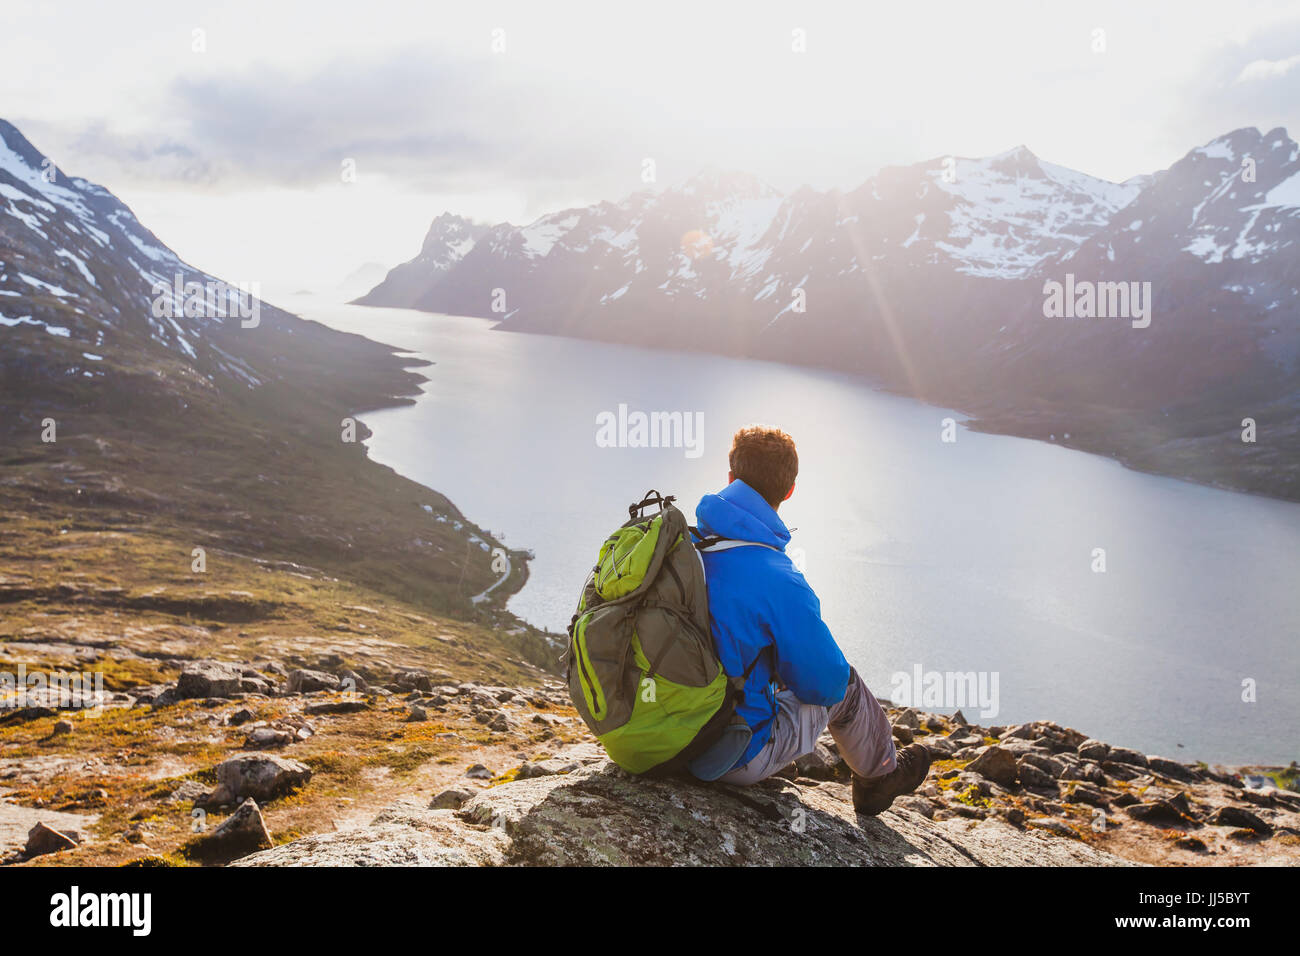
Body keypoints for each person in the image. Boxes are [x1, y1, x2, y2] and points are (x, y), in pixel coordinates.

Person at [693, 425, 931, 814]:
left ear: (731, 478)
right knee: (846, 683)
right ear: (788, 491)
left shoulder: (684, 549)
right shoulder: (778, 577)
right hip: (724, 758)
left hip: (650, 737)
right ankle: (879, 776)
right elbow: (826, 684)